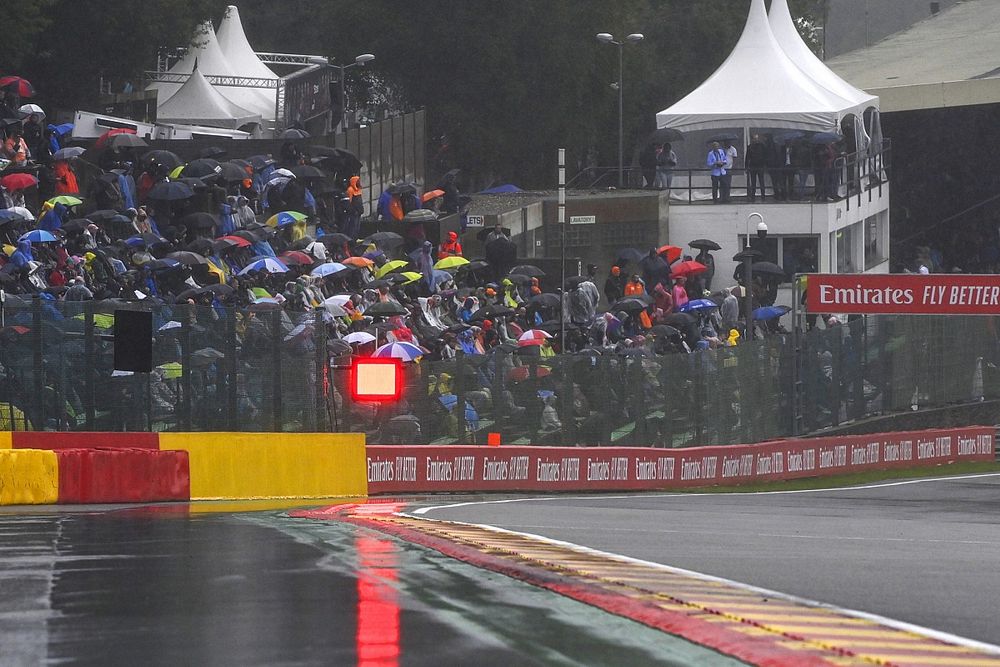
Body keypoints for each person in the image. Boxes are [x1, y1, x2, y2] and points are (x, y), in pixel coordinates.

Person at [745, 134, 767, 202]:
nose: (756, 140)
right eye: (754, 138)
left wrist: (764, 165)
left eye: (757, 138)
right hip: (753, 166)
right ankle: (753, 197)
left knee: (761, 181)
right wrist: (746, 167)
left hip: (760, 166)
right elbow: (747, 157)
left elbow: (765, 155)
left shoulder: (762, 146)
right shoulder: (750, 147)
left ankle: (763, 196)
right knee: (753, 182)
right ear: (752, 139)